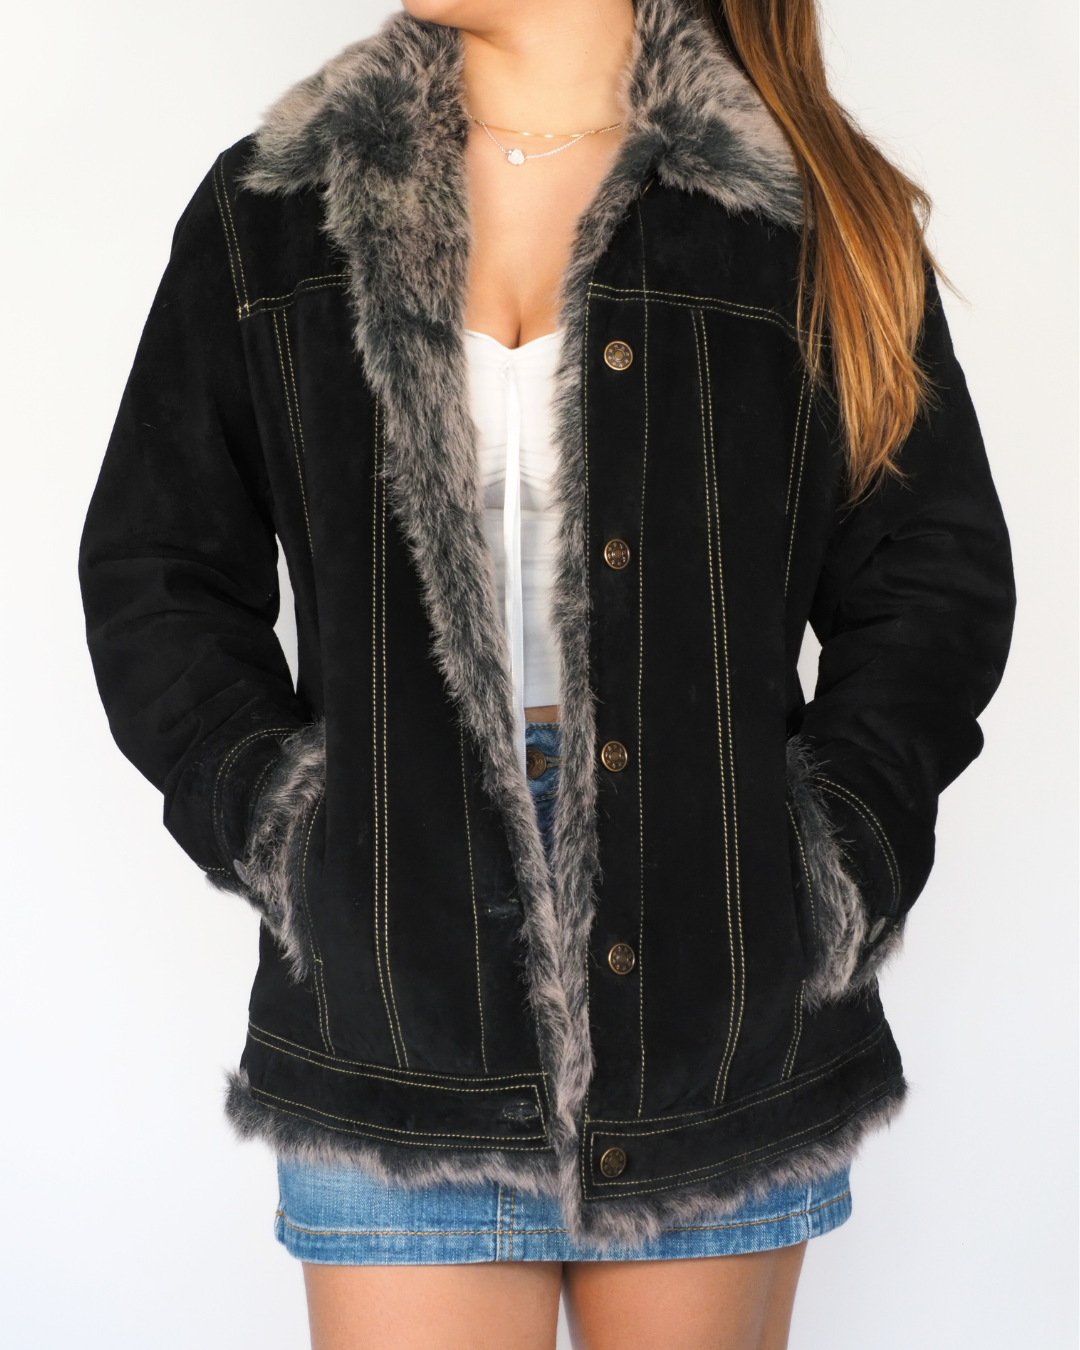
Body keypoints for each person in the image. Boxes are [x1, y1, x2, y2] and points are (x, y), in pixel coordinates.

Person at [78, 0, 1015, 1344]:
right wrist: (281, 824)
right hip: (391, 1015)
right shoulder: (274, 206)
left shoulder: (796, 210)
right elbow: (156, 569)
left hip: (720, 1005)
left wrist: (832, 855)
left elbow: (932, 580)